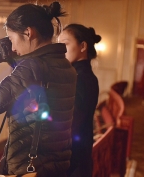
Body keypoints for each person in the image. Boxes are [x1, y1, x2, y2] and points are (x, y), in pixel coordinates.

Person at [0, 1, 77, 177]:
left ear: (28, 32)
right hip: (56, 166)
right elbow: (34, 84)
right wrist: (11, 58)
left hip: (27, 169)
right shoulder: (65, 66)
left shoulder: (30, 68)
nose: (13, 47)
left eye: (12, 39)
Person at [58, 24, 100, 177]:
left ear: (83, 46)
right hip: (76, 157)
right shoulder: (80, 76)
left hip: (73, 161)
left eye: (66, 44)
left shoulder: (80, 79)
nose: (61, 49)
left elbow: (71, 123)